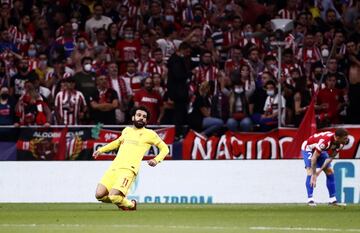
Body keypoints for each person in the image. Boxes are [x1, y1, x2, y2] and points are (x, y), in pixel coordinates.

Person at [92, 106, 169, 211]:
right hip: (114, 167)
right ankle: (121, 201)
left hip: (129, 169)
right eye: (139, 115)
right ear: (133, 118)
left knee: (113, 196)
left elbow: (165, 149)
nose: (141, 118)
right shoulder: (126, 130)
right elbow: (117, 142)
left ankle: (131, 204)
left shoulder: (150, 134)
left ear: (146, 121)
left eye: (144, 117)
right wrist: (101, 150)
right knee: (99, 195)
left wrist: (156, 160)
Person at [301, 128, 349, 206]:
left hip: (320, 150)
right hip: (308, 148)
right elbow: (314, 158)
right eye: (345, 138)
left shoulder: (341, 144)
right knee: (310, 171)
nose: (346, 140)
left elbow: (330, 158)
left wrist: (319, 171)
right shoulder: (326, 142)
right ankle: (310, 199)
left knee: (330, 171)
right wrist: (314, 174)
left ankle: (332, 200)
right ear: (337, 138)